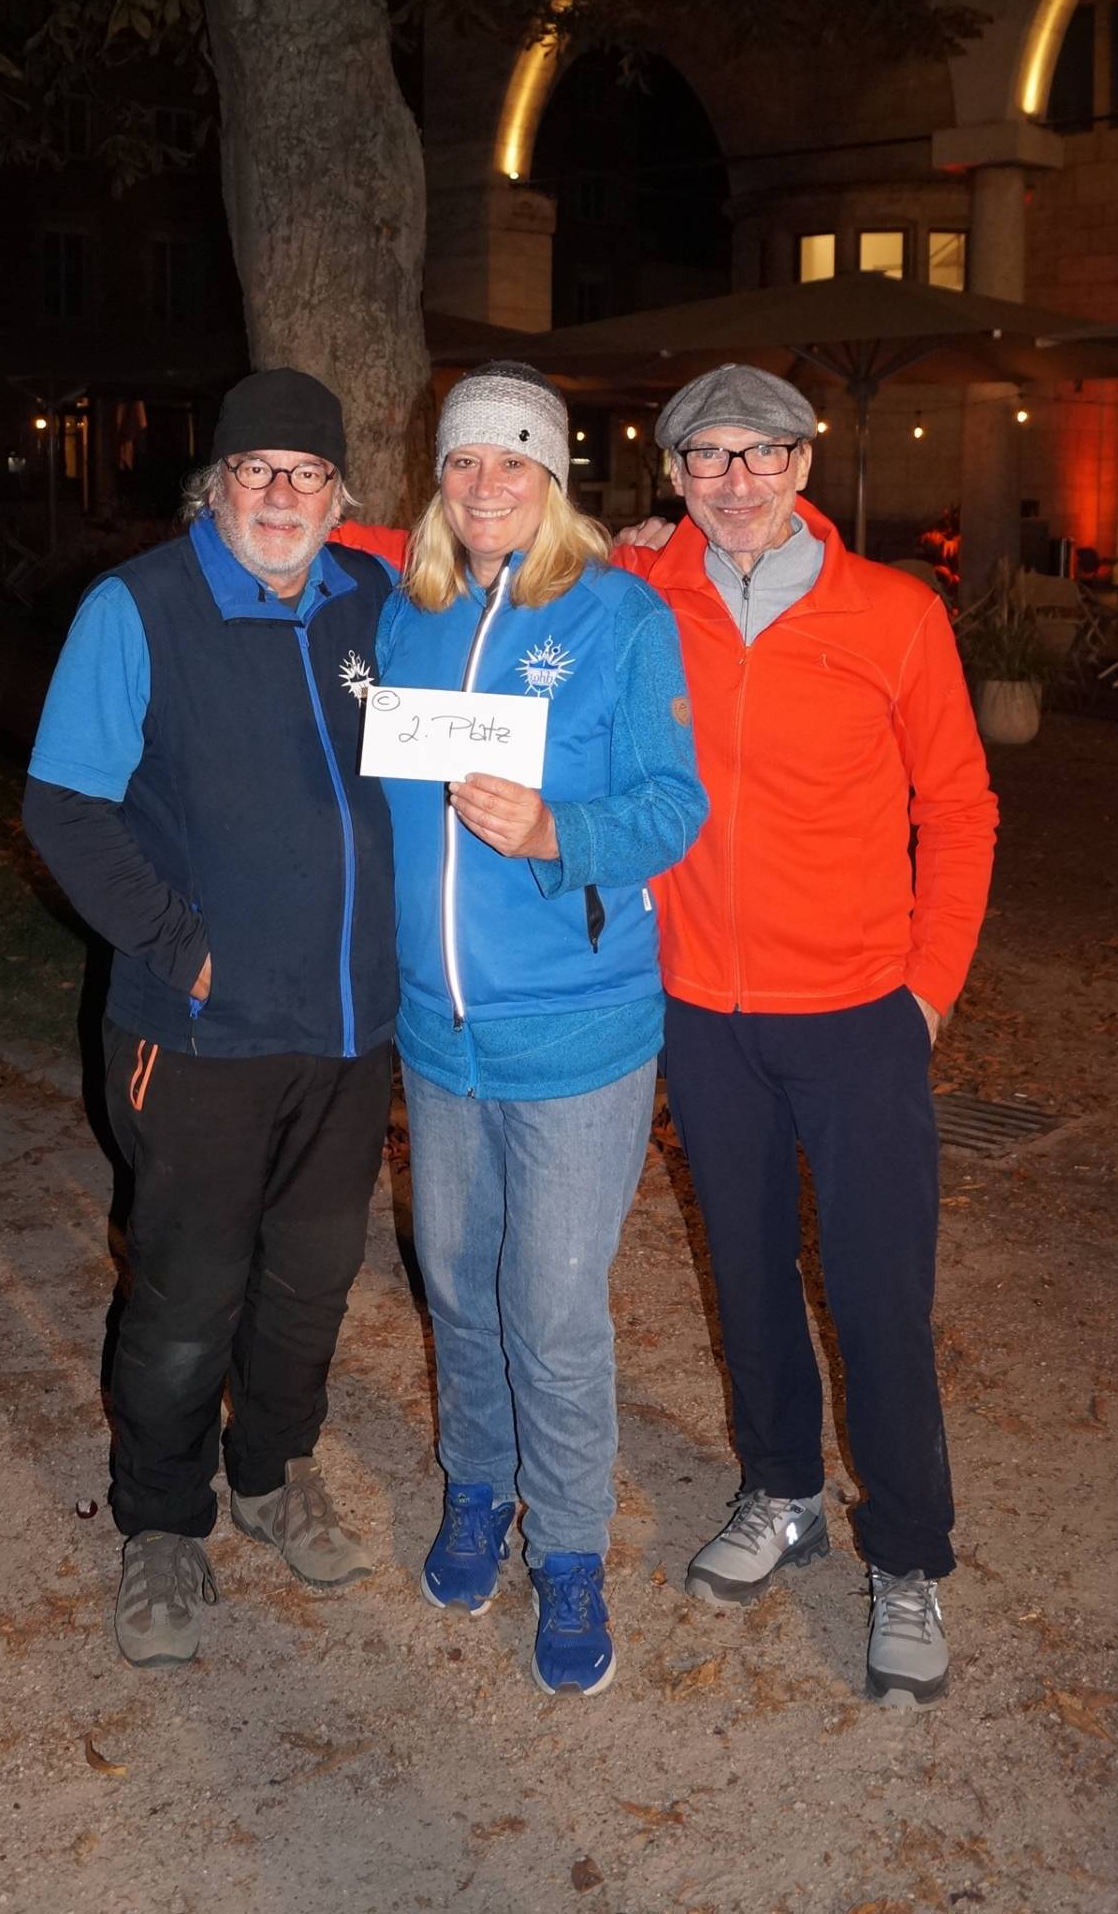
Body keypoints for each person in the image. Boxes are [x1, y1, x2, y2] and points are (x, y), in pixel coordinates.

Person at [616, 363, 997, 1707]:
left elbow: (958, 807)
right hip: (703, 1013)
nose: (735, 479)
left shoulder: (891, 611)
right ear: (673, 475)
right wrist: (296, 510)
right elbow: (467, 547)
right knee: (748, 1271)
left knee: (878, 1293)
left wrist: (926, 989)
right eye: (706, 456)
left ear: (801, 463)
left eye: (760, 452)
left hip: (855, 1013)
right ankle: (779, 1491)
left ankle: (908, 1552)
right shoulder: (635, 594)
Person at [23, 370, 398, 1669]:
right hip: (197, 1034)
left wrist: (641, 549)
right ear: (216, 485)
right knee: (187, 1295)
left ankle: (272, 1472)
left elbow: (505, 599)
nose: (280, 494)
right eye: (256, 470)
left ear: (338, 495)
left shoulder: (369, 597)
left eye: (306, 473)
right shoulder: (138, 608)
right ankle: (161, 1524)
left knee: (311, 1277)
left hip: (347, 1028)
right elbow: (64, 805)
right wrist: (180, 946)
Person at [377, 362, 707, 1697]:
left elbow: (674, 805)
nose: (484, 484)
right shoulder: (407, 613)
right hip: (436, 1030)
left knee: (552, 1305)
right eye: (462, 461)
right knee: (455, 1278)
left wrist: (557, 830)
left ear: (553, 477)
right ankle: (479, 1485)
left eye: (512, 460)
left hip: (575, 1027)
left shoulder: (619, 614)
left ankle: (568, 1551)